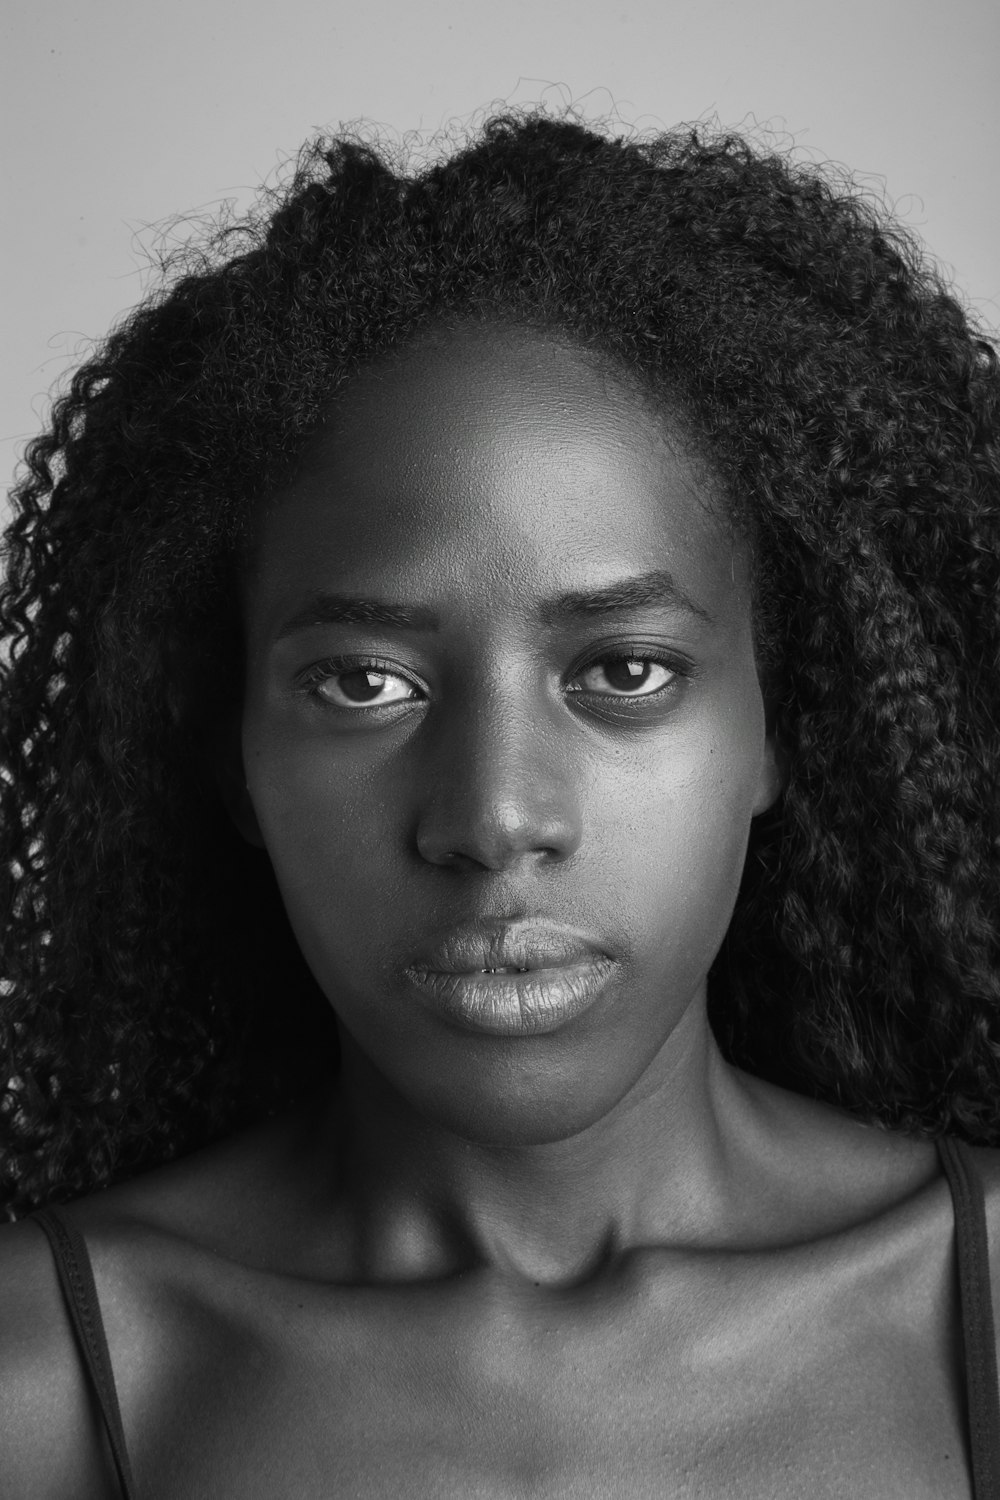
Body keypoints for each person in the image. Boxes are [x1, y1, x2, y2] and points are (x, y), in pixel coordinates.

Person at [1, 106, 999, 1498]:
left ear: (780, 723)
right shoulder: (45, 1373)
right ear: (230, 756)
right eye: (363, 683)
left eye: (626, 670)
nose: (492, 819)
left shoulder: (976, 1307)